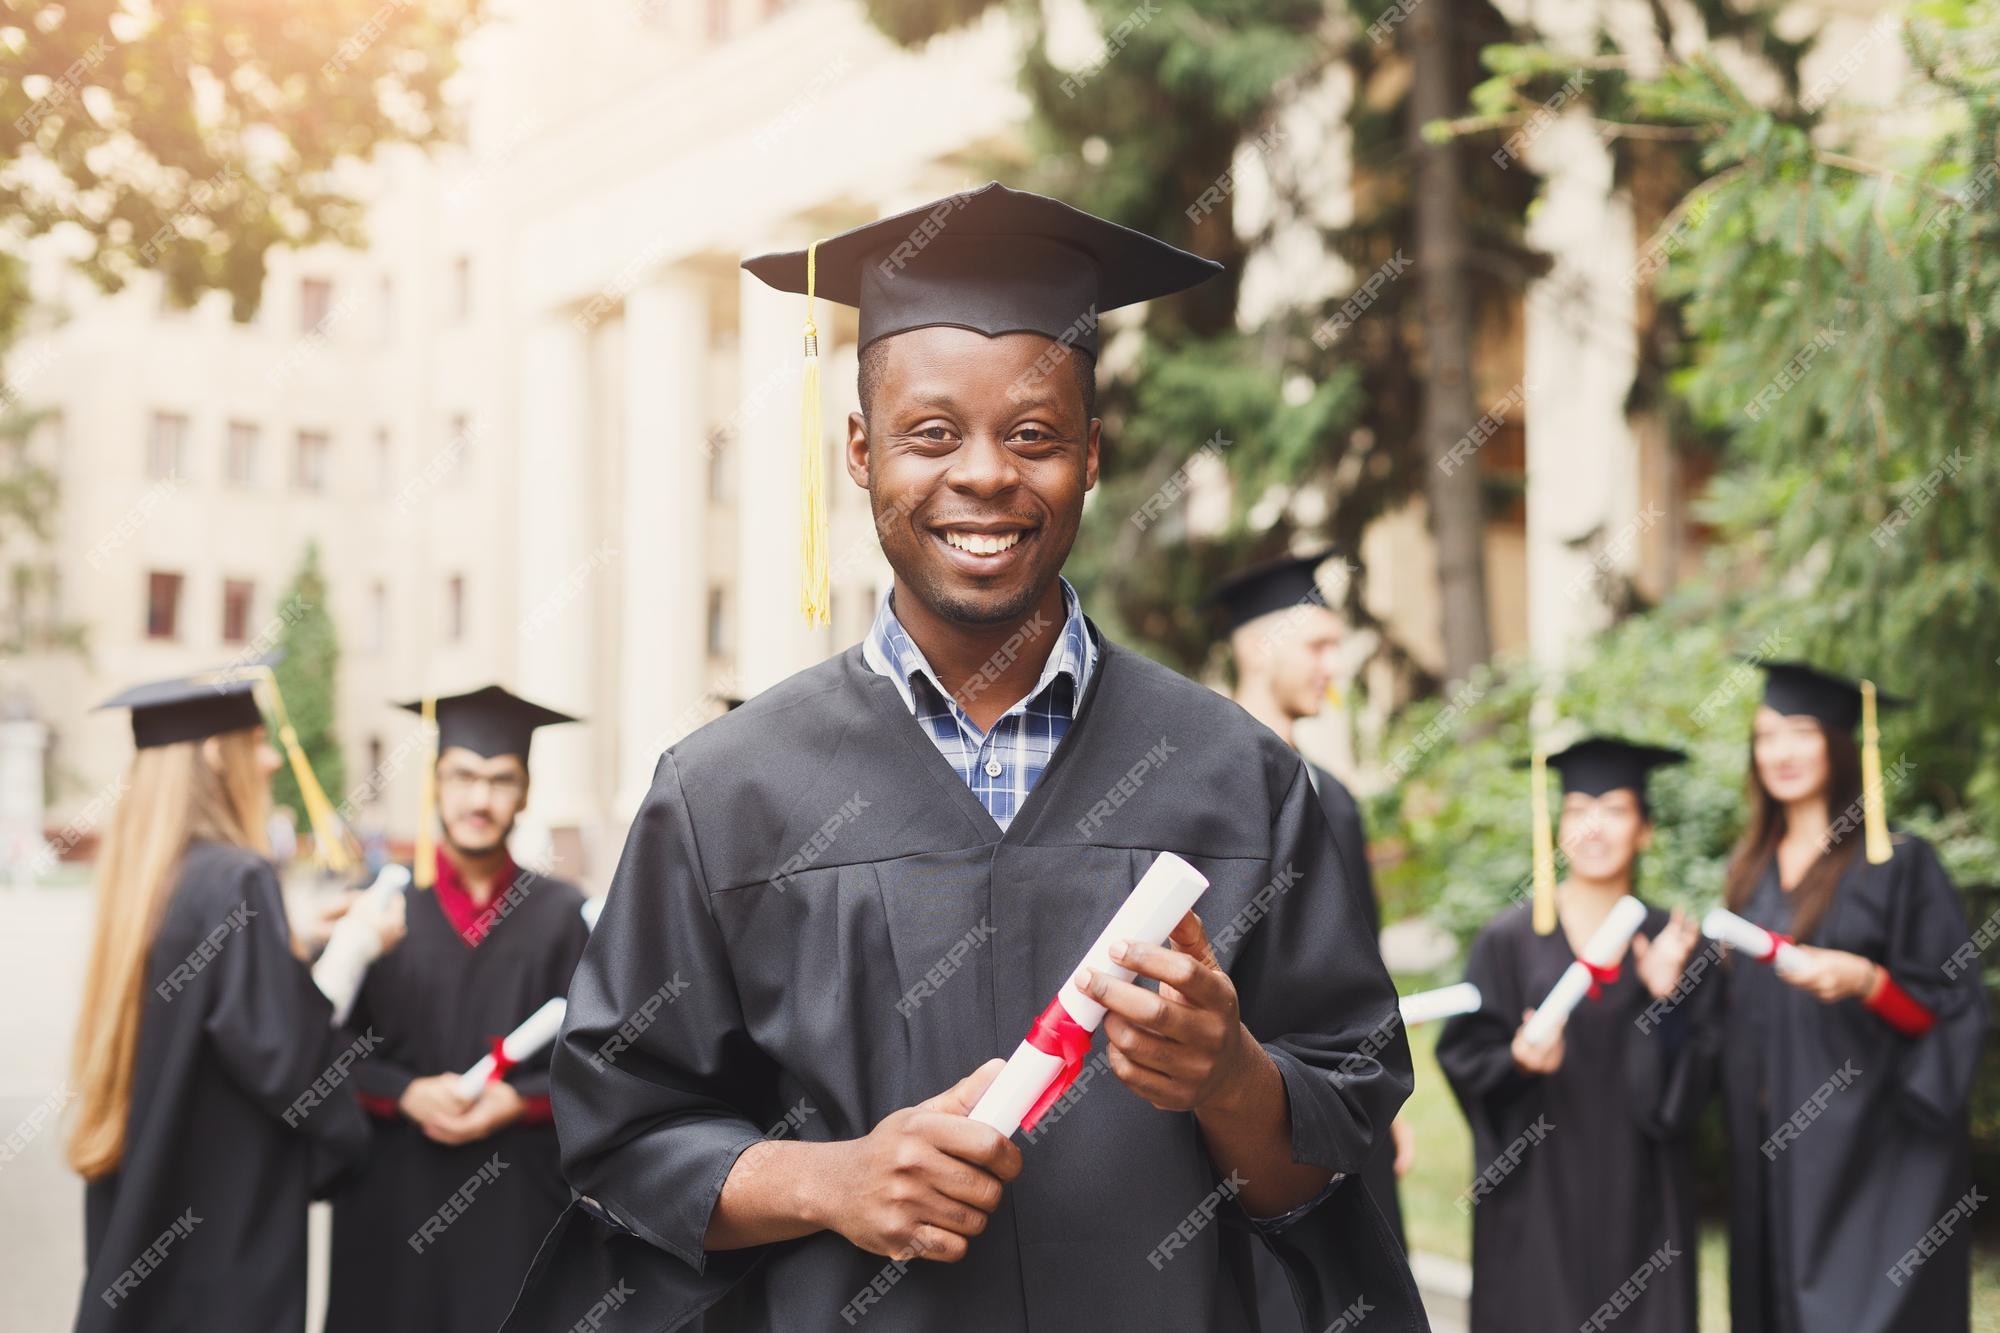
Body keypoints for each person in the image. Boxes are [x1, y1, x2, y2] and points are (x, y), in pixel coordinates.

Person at [502, 182, 1424, 1333]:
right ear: (858, 449)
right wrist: (828, 1181)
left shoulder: (1240, 779)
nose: (984, 473)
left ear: (1091, 454)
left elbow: (1326, 1167)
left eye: (1032, 434)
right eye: (930, 433)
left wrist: (1230, 1074)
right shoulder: (725, 791)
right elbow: (622, 1134)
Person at [71, 669, 402, 1333]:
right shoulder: (238, 875)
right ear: (217, 755)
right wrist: (357, 945)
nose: (273, 756)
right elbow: (287, 1058)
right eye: (256, 740)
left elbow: (199, 992)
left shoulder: (151, 877)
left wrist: (292, 940)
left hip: (144, 1214)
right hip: (221, 1237)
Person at [1697, 662, 1986, 1332]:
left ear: (1840, 742)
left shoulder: (1899, 864)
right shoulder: (1749, 871)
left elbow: (1951, 1010)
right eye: (1767, 736)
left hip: (1872, 1157)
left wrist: (1868, 980)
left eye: (1801, 732)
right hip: (1772, 1157)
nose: (1782, 752)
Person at [326, 685, 591, 1333]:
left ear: (525, 792)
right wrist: (405, 1091)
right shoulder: (378, 909)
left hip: (518, 1205)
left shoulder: (564, 916)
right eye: (463, 776)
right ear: (434, 784)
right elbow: (318, 1051)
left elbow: (601, 1063)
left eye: (502, 780)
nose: (481, 799)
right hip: (390, 1202)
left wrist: (522, 1100)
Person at [1436, 737, 1705, 1333]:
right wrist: (1517, 1061)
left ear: (1645, 829)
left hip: (1643, 1190)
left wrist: (1669, 1002)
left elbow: (1700, 1079)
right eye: (1579, 809)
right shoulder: (1507, 939)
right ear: (1557, 826)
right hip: (1537, 1184)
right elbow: (1463, 1055)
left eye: (1614, 809)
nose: (1594, 826)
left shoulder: (1674, 942)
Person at [1214, 547, 1411, 1250]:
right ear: (1263, 648)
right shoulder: (1202, 789)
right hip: (1240, 1107)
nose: (1334, 665)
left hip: (1342, 1096)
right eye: (1318, 644)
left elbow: (1364, 963)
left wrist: (1385, 1100)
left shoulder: (1336, 797)